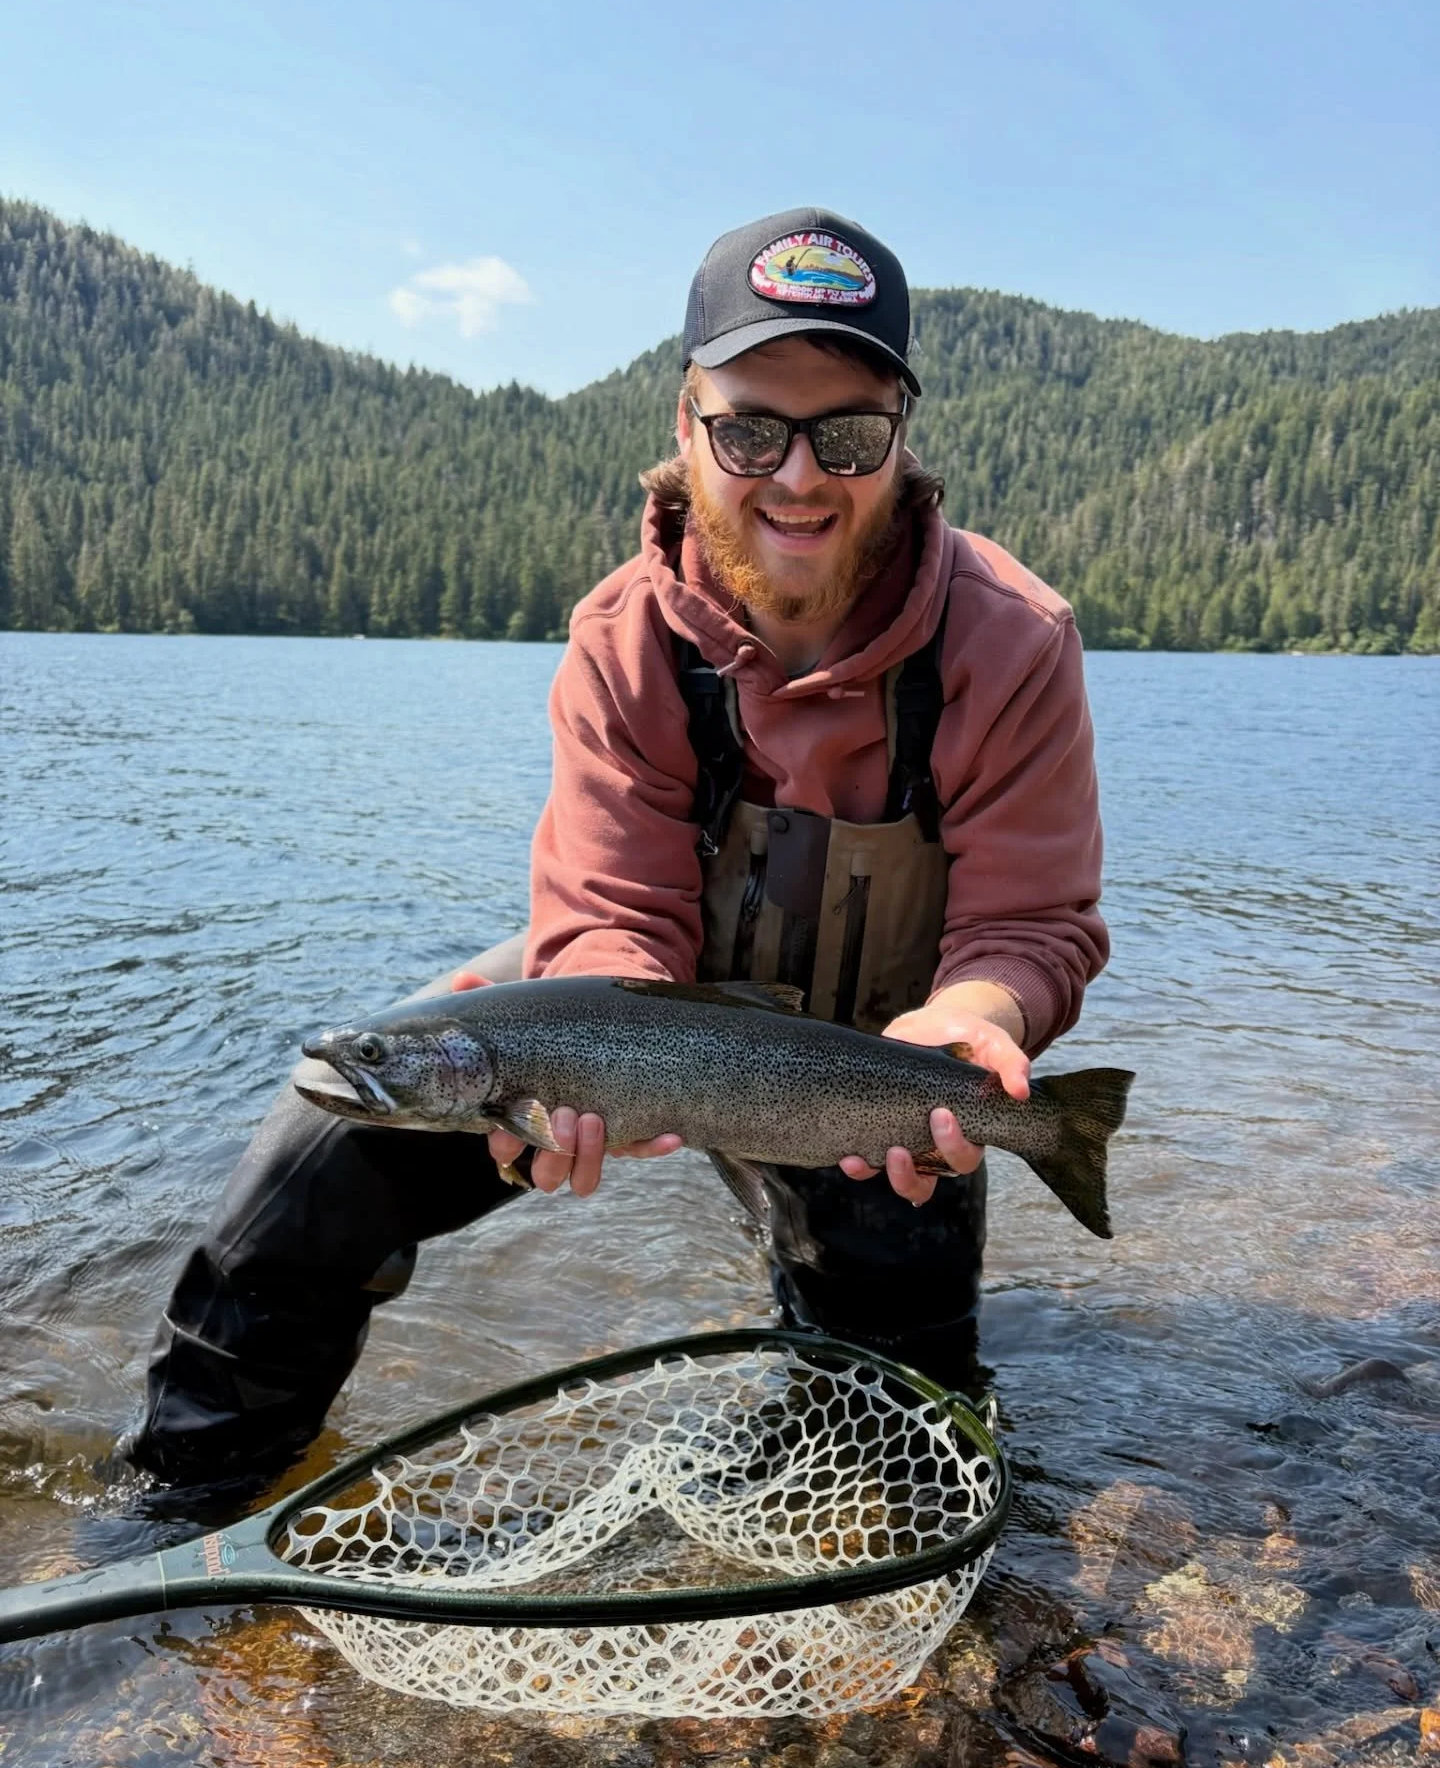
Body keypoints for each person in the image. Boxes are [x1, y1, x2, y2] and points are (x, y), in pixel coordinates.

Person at [126, 208, 1108, 1498]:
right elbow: (609, 921)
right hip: (647, 1012)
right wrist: (587, 1068)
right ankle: (186, 1514)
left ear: (901, 441)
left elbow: (1029, 927)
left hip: (876, 1051)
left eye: (847, 434)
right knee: (320, 1150)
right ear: (687, 424)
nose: (798, 478)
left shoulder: (1012, 643)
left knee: (885, 1441)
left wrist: (975, 1026)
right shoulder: (623, 640)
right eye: (751, 427)